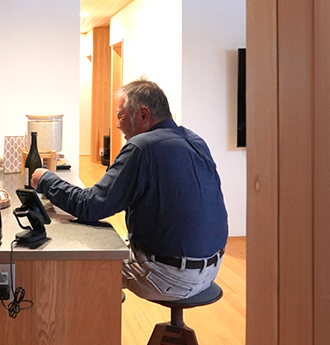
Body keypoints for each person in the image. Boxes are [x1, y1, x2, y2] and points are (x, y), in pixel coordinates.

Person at [31, 78, 228, 303]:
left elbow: (91, 206)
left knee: (83, 263)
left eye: (120, 116)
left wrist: (45, 179)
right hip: (212, 267)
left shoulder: (142, 147)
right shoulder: (196, 140)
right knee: (110, 243)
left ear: (143, 114)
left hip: (171, 276)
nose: (117, 125)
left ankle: (95, 323)